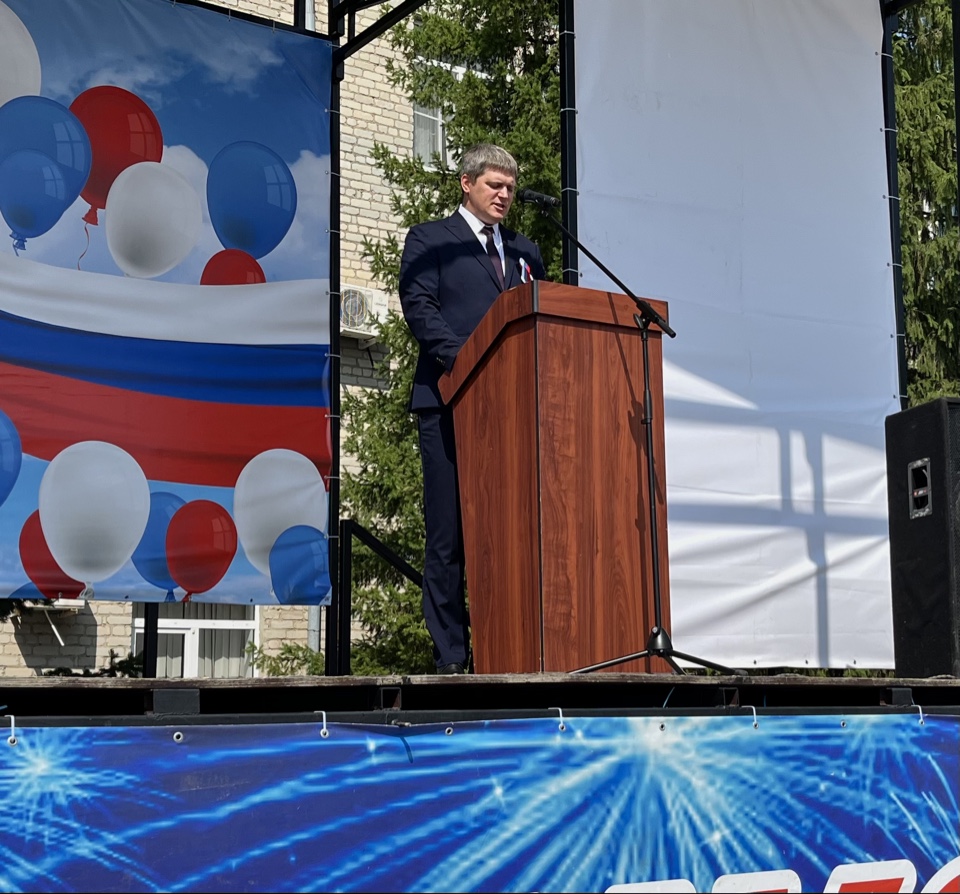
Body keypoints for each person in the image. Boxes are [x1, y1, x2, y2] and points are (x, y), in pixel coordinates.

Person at [399, 143, 546, 674]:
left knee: (509, 532)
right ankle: (452, 659)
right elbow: (420, 307)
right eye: (494, 185)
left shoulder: (526, 252)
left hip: (511, 408)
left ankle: (510, 650)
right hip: (448, 399)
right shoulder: (431, 239)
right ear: (467, 183)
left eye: (510, 188)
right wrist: (468, 362)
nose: (504, 195)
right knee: (449, 535)